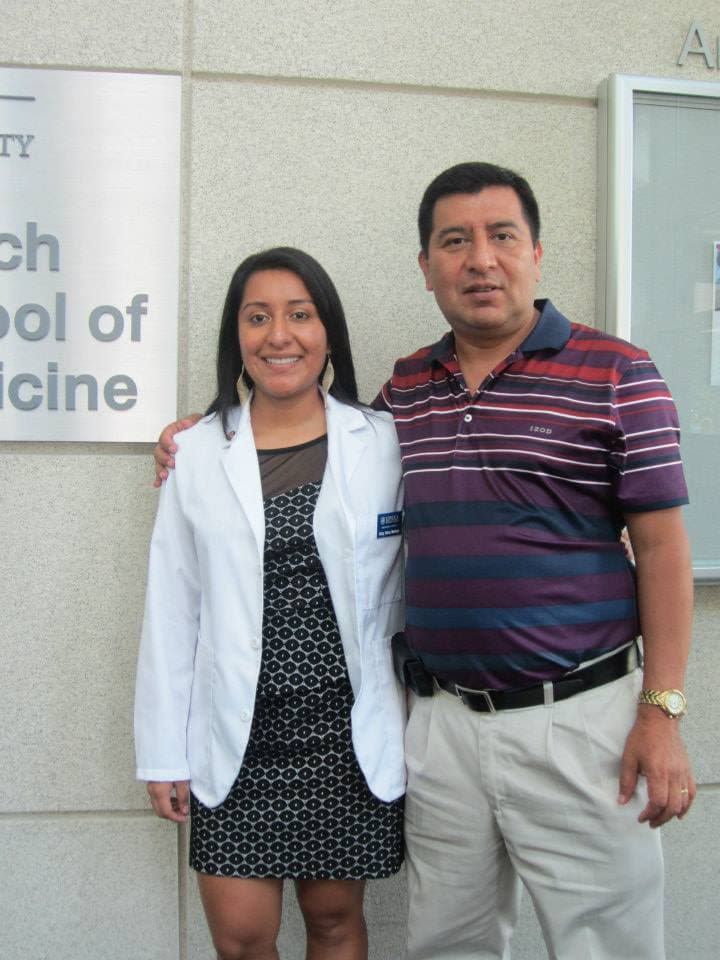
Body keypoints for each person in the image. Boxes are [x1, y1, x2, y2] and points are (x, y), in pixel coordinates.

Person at [154, 164, 695, 960]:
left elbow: (663, 549)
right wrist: (204, 434)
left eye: (501, 236)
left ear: (537, 252)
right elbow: (306, 432)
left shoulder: (616, 373)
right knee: (450, 943)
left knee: (605, 945)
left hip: (580, 724)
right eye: (455, 241)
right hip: (439, 729)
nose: (481, 259)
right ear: (427, 266)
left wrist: (664, 709)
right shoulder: (408, 389)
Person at [135, 247, 406, 960]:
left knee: (335, 925)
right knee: (241, 939)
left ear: (328, 333)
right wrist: (163, 752)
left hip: (343, 735)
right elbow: (172, 609)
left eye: (299, 314)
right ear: (237, 336)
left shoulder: (381, 443)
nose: (278, 335)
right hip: (236, 734)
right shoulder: (196, 451)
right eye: (258, 317)